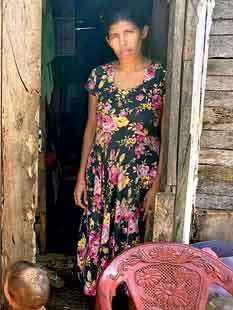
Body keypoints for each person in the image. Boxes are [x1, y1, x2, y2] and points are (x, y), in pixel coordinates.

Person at [73, 3, 166, 297]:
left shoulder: (159, 77)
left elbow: (165, 133)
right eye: (114, 35)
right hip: (102, 175)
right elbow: (91, 127)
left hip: (139, 177)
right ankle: (102, 295)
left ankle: (130, 295)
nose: (122, 42)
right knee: (98, 232)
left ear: (144, 33)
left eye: (129, 33)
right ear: (107, 40)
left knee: (133, 238)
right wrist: (81, 177)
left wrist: (157, 185)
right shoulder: (99, 77)